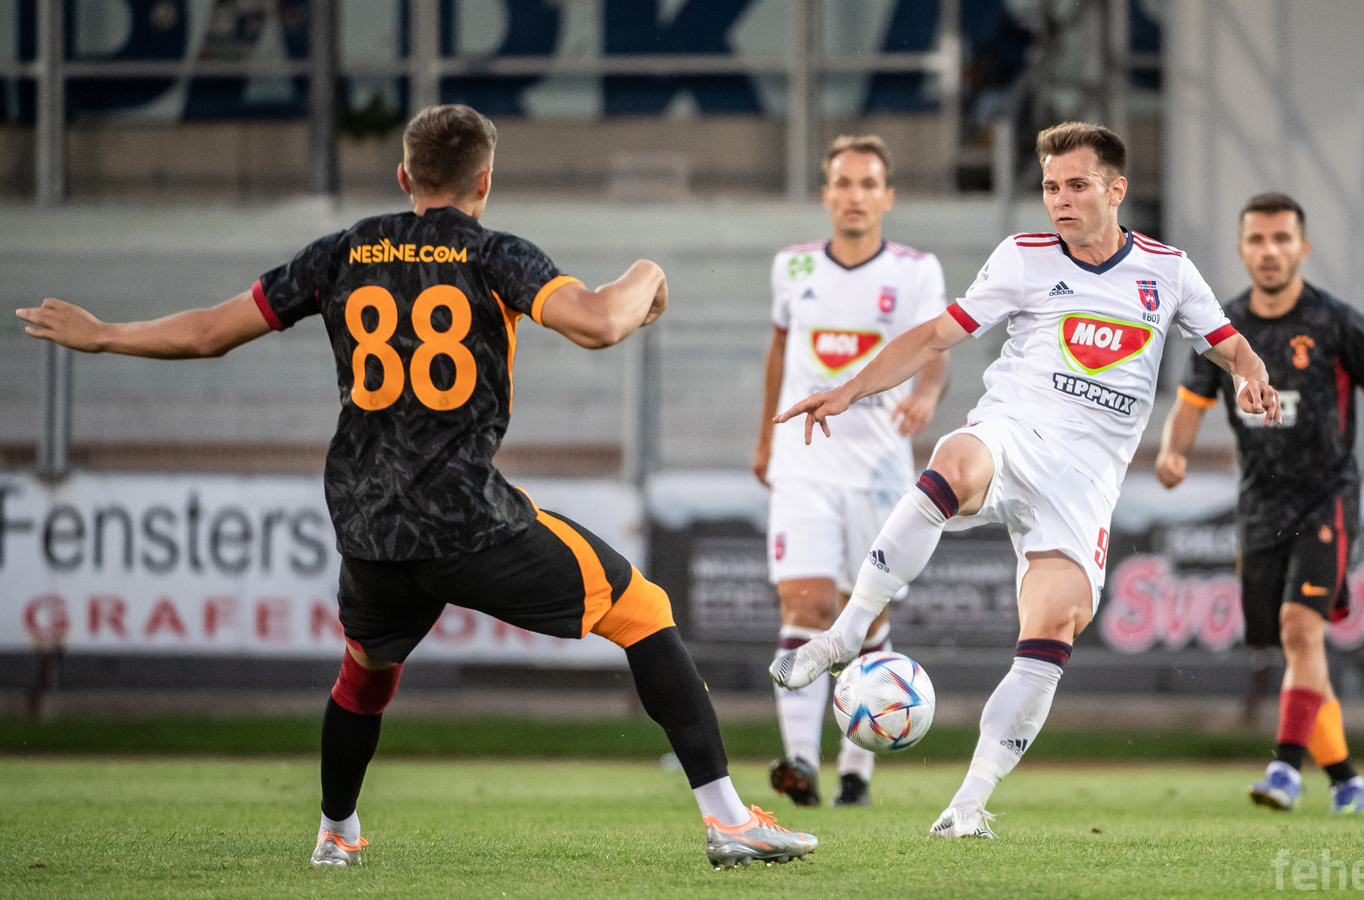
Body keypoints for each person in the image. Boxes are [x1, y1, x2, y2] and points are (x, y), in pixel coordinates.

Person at [15, 104, 816, 870]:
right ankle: (727, 820)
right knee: (643, 610)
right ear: (485, 180)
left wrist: (105, 334)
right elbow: (602, 322)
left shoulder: (343, 252)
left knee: (364, 676)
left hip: (370, 527)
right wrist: (648, 273)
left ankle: (335, 834)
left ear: (404, 177)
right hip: (467, 521)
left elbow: (206, 335)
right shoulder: (494, 255)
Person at [769, 121, 1280, 838]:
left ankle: (968, 805)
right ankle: (846, 636)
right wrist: (851, 390)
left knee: (1053, 627)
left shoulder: (1168, 271)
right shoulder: (1023, 257)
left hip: (1084, 484)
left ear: (1116, 190)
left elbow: (1232, 347)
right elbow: (936, 335)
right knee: (953, 462)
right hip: (1012, 433)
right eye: (1049, 187)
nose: (1060, 200)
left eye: (1077, 186)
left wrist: (1254, 378)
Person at [1154, 191, 1364, 814]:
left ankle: (1283, 770)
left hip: (1326, 497)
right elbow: (1190, 405)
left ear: (1302, 248)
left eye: (1282, 239)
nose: (1270, 251)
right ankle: (1347, 779)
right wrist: (1173, 453)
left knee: (1300, 628)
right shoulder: (1222, 327)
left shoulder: (1337, 323)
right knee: (1298, 647)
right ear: (1241, 249)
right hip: (1259, 507)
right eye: (1258, 239)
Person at [752, 135, 949, 809]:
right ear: (826, 194)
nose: (855, 195)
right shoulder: (793, 266)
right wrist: (764, 440)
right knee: (806, 605)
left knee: (865, 615)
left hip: (879, 469)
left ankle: (857, 770)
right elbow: (779, 353)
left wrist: (927, 396)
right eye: (843, 182)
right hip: (804, 463)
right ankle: (802, 763)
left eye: (868, 184)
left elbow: (937, 347)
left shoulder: (916, 271)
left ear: (887, 196)